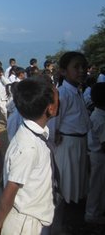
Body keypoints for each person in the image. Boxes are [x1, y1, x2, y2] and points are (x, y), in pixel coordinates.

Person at [0, 77, 59, 235]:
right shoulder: (28, 146)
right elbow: (10, 189)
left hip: (37, 213)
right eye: (57, 99)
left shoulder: (37, 135)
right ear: (50, 108)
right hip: (26, 223)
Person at [50, 51, 90, 205]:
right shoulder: (62, 94)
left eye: (83, 66)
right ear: (63, 71)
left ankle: (72, 207)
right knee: (66, 180)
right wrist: (55, 136)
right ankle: (63, 213)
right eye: (76, 67)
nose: (81, 70)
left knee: (77, 178)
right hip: (67, 144)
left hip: (79, 142)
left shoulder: (77, 91)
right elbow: (54, 121)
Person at [84, 82, 105, 224]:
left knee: (98, 185)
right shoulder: (101, 119)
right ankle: (91, 213)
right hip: (99, 156)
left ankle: (97, 211)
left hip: (95, 154)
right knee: (97, 186)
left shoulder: (96, 114)